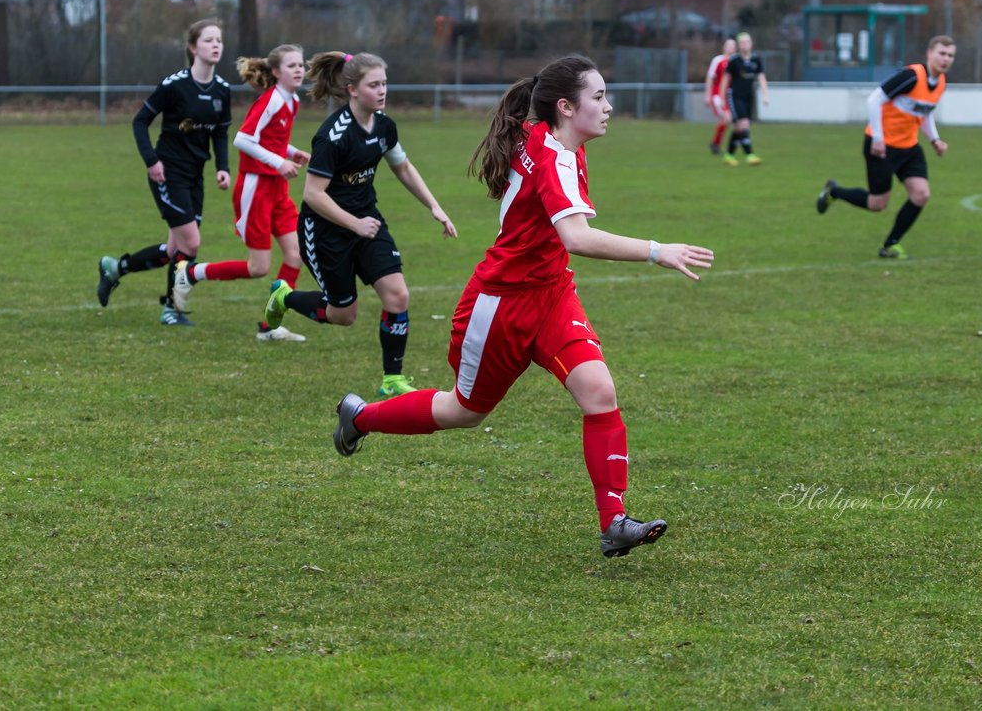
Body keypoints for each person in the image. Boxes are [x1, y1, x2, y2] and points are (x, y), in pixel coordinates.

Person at [313, 55, 715, 559]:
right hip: (499, 305)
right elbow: (576, 237)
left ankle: (614, 521)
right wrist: (659, 251)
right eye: (599, 97)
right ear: (566, 108)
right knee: (464, 411)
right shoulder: (552, 155)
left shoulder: (554, 137)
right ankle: (361, 416)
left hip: (551, 295)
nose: (609, 107)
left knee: (599, 391)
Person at [261, 51, 458, 396]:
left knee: (397, 296)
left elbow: (403, 167)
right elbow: (313, 195)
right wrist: (353, 224)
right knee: (343, 315)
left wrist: (434, 206)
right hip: (324, 230)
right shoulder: (332, 135)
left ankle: (392, 379)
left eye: (384, 83)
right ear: (352, 89)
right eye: (374, 85)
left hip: (367, 221)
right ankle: (285, 297)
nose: (382, 91)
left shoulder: (383, 126)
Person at [166, 45, 312, 340]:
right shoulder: (270, 100)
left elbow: (270, 140)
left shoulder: (292, 100)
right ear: (275, 72)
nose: (299, 70)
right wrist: (278, 161)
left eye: (301, 65)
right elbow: (243, 140)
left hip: (277, 188)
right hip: (256, 188)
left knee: (297, 255)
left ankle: (270, 326)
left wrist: (292, 152)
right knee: (259, 267)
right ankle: (190, 274)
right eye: (292, 65)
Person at [95, 18, 231, 325]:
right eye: (209, 40)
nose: (216, 45)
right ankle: (172, 307)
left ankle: (115, 268)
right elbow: (140, 121)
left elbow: (220, 133)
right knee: (191, 243)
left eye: (219, 40)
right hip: (168, 174)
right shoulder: (174, 85)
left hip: (195, 175)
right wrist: (151, 161)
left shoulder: (222, 90)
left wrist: (222, 168)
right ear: (193, 47)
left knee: (174, 249)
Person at [815, 34, 956, 260]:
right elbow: (874, 100)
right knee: (877, 203)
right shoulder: (911, 76)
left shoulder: (940, 83)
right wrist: (878, 138)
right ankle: (835, 192)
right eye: (942, 53)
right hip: (881, 146)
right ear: (930, 54)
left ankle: (890, 245)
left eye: (950, 55)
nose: (946, 59)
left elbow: (925, 112)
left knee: (921, 195)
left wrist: (934, 140)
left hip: (909, 147)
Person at [717, 31, 770, 166]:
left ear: (751, 44)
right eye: (742, 43)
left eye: (747, 42)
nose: (745, 45)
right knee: (743, 124)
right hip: (734, 96)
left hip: (748, 97)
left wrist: (765, 94)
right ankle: (750, 155)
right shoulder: (734, 60)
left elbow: (761, 77)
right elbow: (725, 80)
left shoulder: (756, 60)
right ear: (739, 46)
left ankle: (728, 155)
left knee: (738, 129)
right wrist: (722, 100)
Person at [703, 37, 736, 155]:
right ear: (724, 47)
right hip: (717, 94)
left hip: (730, 96)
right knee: (727, 118)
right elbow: (710, 77)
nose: (730, 48)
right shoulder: (718, 60)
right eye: (728, 45)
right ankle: (718, 145)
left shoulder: (735, 61)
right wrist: (707, 95)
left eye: (733, 45)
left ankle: (715, 144)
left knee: (728, 120)